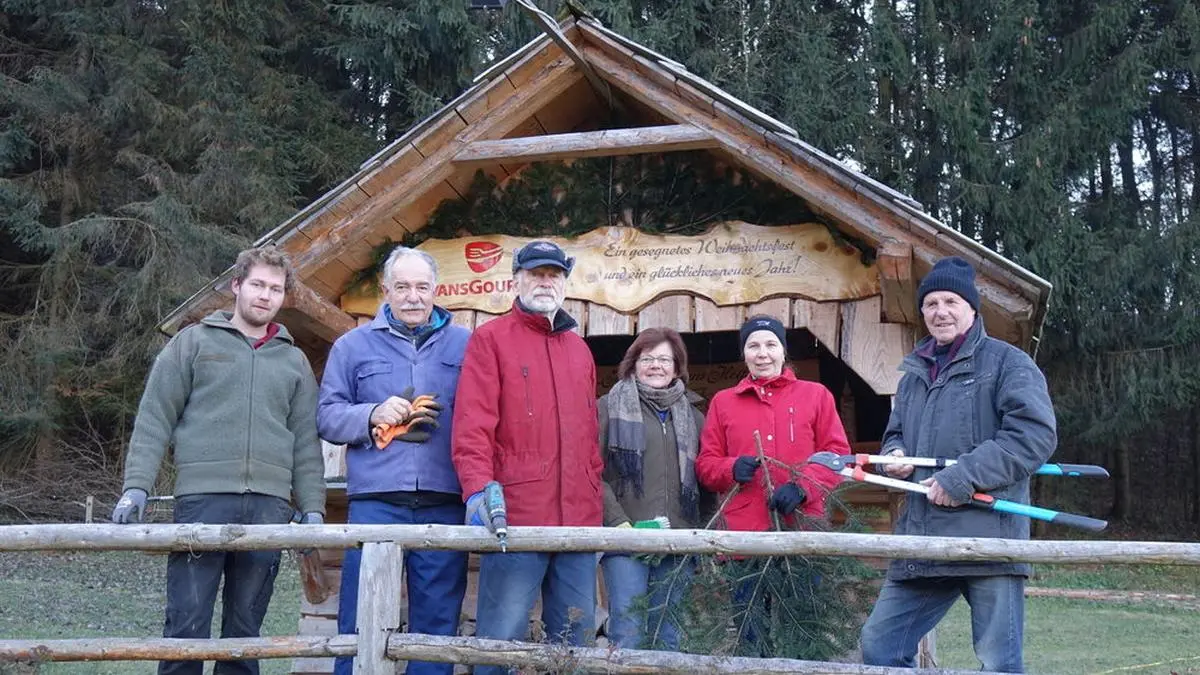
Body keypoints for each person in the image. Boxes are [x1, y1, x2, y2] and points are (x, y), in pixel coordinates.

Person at [111, 246, 326, 675]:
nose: (265, 295)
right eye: (257, 285)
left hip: (269, 508)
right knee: (186, 625)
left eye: (275, 289)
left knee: (245, 633)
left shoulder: (294, 361)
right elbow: (155, 418)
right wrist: (136, 487)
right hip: (202, 502)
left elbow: (306, 441)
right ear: (236, 286)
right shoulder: (193, 343)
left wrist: (313, 508)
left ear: (283, 297)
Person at [859, 256, 1057, 673]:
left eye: (951, 301)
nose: (940, 311)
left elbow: (1033, 437)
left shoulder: (1009, 363)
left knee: (999, 664)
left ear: (972, 308)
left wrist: (962, 477)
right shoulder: (913, 376)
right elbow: (896, 434)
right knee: (880, 647)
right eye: (931, 303)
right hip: (923, 543)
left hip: (989, 541)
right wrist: (894, 456)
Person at [317, 246, 470, 675]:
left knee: (436, 631)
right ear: (385, 290)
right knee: (362, 618)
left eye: (422, 287)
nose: (412, 297)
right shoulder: (352, 346)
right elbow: (326, 416)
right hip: (376, 502)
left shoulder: (466, 345)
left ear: (437, 290)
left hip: (444, 499)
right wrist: (371, 414)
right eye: (402, 287)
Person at [452, 240, 602, 673]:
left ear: (565, 284)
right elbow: (472, 427)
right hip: (515, 517)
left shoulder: (580, 350)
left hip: (578, 522)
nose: (545, 282)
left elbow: (590, 441)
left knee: (575, 642)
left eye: (553, 275)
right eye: (536, 274)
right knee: (500, 639)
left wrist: (594, 499)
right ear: (516, 280)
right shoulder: (490, 340)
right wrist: (478, 492)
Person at [695, 314, 850, 653]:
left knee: (805, 633)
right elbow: (706, 465)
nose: (762, 353)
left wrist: (804, 487)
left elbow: (837, 456)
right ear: (744, 353)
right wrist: (731, 468)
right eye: (753, 346)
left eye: (770, 344)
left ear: (783, 351)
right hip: (744, 539)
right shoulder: (723, 402)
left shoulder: (815, 396)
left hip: (802, 533)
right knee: (751, 636)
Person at [598, 327, 706, 650]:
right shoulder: (607, 408)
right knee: (627, 631)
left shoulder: (694, 417)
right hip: (625, 540)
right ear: (633, 363)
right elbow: (590, 472)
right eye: (647, 359)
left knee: (668, 634)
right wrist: (617, 521)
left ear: (677, 367)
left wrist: (703, 533)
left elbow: (706, 479)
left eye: (664, 359)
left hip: (678, 541)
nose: (656, 366)